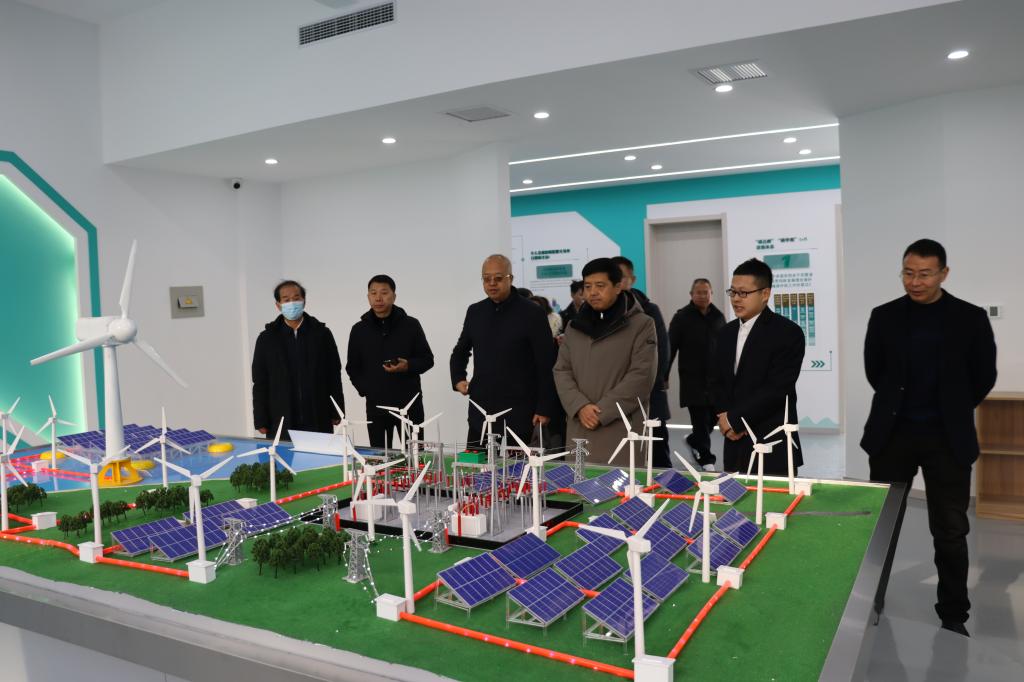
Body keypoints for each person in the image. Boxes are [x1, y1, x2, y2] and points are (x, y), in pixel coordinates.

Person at [861, 239, 996, 637]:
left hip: (947, 440)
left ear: (943, 274)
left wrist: (953, 407)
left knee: (951, 530)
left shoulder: (970, 318)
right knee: (883, 526)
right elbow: (875, 371)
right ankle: (872, 600)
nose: (915, 282)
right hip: (893, 436)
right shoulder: (884, 316)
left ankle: (953, 614)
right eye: (908, 273)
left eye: (924, 274)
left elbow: (983, 375)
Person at [554, 258, 657, 462]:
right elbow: (562, 370)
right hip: (580, 423)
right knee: (579, 480)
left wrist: (601, 412)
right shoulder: (574, 327)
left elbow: (641, 376)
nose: (593, 292)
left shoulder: (641, 324)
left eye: (600, 286)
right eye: (588, 286)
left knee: (621, 481)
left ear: (618, 287)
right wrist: (580, 406)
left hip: (621, 425)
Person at [450, 255, 558, 448]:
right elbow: (460, 351)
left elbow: (546, 362)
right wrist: (458, 377)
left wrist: (544, 407)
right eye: (486, 278)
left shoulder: (532, 313)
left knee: (518, 466)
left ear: (511, 278)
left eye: (498, 278)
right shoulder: (475, 311)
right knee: (474, 464)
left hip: (520, 411)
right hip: (481, 410)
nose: (492, 283)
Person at [712, 259, 804, 474]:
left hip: (771, 441)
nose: (736, 299)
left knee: (773, 496)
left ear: (765, 294)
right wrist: (725, 419)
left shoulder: (788, 333)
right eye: (733, 292)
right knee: (734, 493)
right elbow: (715, 380)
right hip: (734, 441)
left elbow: (777, 389)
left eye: (743, 293)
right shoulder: (725, 333)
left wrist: (734, 419)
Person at [346, 275, 434, 449]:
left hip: (409, 405)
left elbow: (427, 360)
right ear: (368, 297)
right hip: (376, 406)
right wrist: (367, 390)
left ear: (394, 296)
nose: (378, 298)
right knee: (380, 457)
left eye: (384, 293)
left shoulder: (411, 325)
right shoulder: (359, 330)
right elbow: (352, 368)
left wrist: (408, 366)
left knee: (415, 456)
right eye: (373, 293)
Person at [252, 280, 344, 436]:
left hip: (317, 414)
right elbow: (260, 381)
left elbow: (334, 374)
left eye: (296, 298)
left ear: (304, 301)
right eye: (286, 300)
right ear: (278, 305)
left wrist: (337, 410)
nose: (292, 303)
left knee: (319, 452)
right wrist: (260, 419)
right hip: (281, 417)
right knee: (283, 451)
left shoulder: (322, 334)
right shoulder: (267, 338)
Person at [610, 256, 672, 468]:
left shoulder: (649, 310)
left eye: (621, 277)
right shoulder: (597, 316)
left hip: (648, 398)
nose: (617, 283)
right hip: (613, 402)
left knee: (657, 459)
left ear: (632, 279)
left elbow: (661, 355)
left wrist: (637, 387)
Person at [668, 278, 726, 471]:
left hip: (716, 380)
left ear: (711, 294)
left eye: (706, 292)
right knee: (700, 420)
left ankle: (694, 440)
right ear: (691, 294)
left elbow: (726, 348)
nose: (702, 295)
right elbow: (670, 348)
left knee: (713, 418)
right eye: (698, 292)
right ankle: (707, 459)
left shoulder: (718, 317)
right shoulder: (682, 317)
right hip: (692, 380)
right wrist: (663, 376)